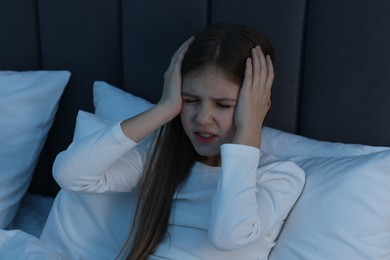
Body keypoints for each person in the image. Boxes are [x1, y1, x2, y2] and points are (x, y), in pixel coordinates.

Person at [52, 23, 305, 259]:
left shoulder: (279, 176)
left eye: (223, 105)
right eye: (190, 100)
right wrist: (164, 109)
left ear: (258, 107)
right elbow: (70, 174)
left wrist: (250, 128)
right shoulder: (160, 160)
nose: (203, 119)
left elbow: (228, 236)